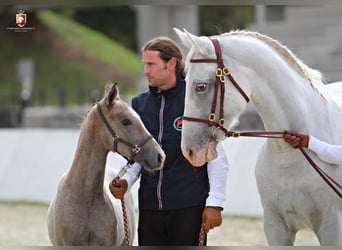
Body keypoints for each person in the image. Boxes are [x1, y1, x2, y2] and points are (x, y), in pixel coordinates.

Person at [109, 36, 229, 246]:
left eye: (151, 64)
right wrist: (125, 181)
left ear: (171, 63)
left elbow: (215, 157)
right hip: (149, 209)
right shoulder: (139, 104)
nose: (146, 70)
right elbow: (136, 156)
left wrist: (215, 204)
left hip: (189, 208)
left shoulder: (196, 101)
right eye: (144, 64)